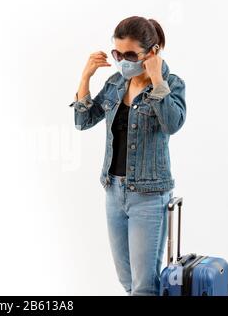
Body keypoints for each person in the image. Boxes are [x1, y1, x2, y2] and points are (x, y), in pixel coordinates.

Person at [69, 16, 186, 296]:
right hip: (114, 192)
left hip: (149, 196)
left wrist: (157, 79)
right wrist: (85, 77)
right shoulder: (115, 83)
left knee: (145, 287)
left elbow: (173, 124)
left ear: (152, 52)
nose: (123, 61)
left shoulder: (172, 83)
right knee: (127, 282)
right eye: (117, 53)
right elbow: (83, 121)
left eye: (130, 54)